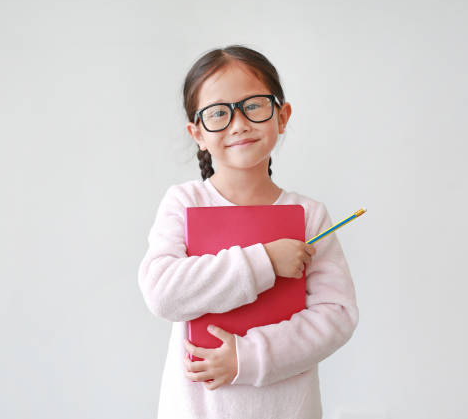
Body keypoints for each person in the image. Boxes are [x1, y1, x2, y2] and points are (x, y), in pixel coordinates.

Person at [137, 45, 359, 419]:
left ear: (282, 115)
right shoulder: (184, 202)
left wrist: (248, 356)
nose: (238, 123)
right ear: (197, 133)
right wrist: (265, 260)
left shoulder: (309, 215)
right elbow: (161, 292)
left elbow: (336, 315)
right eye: (218, 113)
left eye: (253, 106)